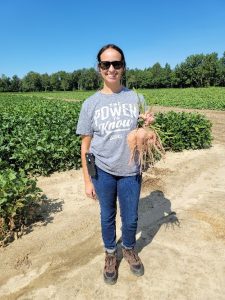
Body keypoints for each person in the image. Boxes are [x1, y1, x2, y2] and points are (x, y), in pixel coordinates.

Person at [76, 44, 154, 285]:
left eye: (116, 64)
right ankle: (111, 253)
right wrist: (88, 180)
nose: (111, 69)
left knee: (130, 218)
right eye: (105, 64)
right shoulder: (90, 104)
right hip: (102, 172)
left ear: (123, 67)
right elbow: (85, 146)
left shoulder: (137, 99)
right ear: (99, 68)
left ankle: (129, 248)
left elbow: (144, 134)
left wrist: (148, 127)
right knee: (107, 215)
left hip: (131, 170)